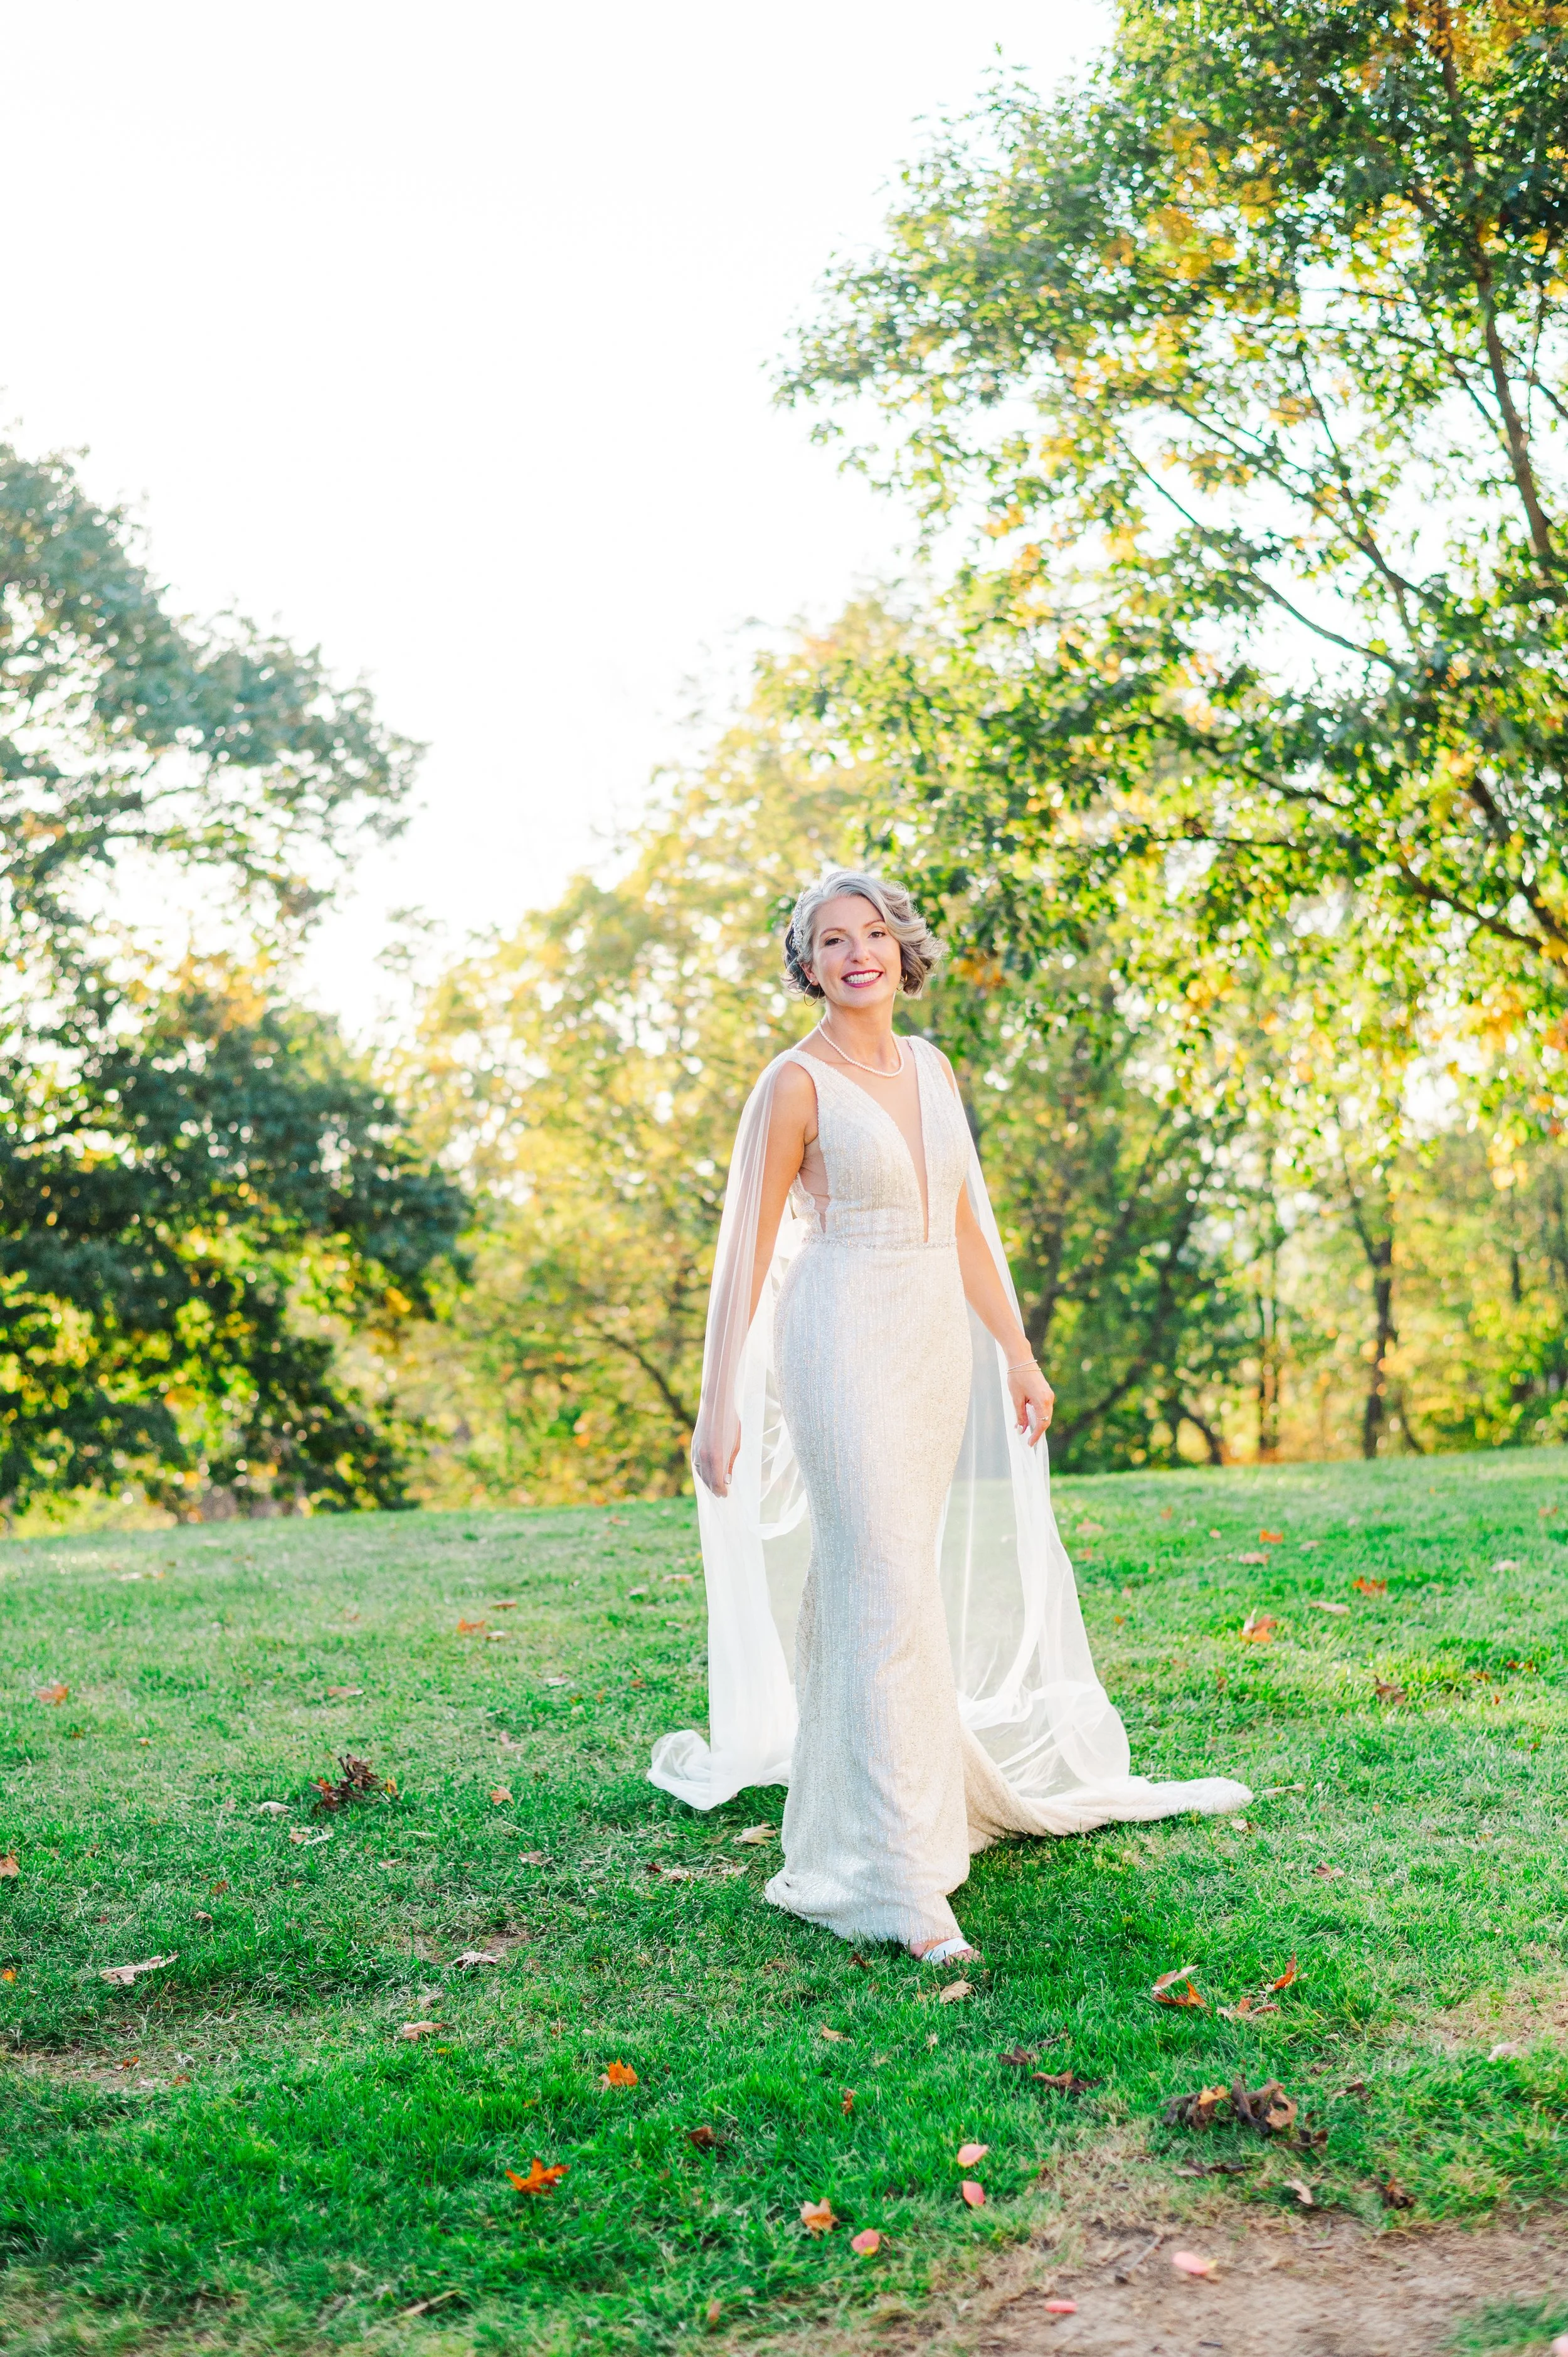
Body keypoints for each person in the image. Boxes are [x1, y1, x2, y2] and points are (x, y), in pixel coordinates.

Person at [650, 869, 1248, 1964]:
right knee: (876, 1571)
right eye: (832, 941)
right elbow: (743, 1257)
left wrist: (1018, 1354)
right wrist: (713, 1406)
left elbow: (968, 1225)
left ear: (901, 951)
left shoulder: (933, 1069)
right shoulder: (793, 1086)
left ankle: (886, 1807)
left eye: (872, 933)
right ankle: (896, 1881)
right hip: (837, 1338)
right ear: (808, 964)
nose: (856, 953)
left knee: (888, 1584)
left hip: (932, 1348)